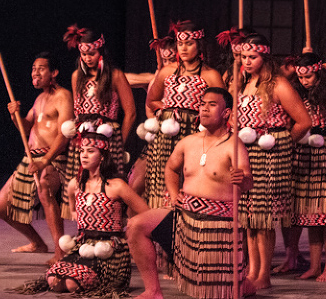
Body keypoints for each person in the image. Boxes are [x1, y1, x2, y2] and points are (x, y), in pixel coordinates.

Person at [123, 87, 253, 299]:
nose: (204, 108)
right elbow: (171, 169)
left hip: (217, 227)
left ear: (226, 112)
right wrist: (174, 196)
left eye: (212, 104)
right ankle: (152, 291)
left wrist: (242, 179)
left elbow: (248, 182)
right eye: (202, 103)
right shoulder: (188, 142)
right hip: (184, 218)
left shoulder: (234, 145)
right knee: (136, 225)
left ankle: (243, 285)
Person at [12, 130, 148, 297]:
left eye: (90, 151)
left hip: (109, 251)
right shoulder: (75, 185)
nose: (84, 155)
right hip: (81, 246)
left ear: (103, 156)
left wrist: (128, 231)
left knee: (71, 284)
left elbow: (145, 213)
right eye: (82, 151)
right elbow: (74, 211)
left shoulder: (116, 185)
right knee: (54, 281)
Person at [237, 34, 311, 289]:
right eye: (244, 57)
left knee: (263, 218)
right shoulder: (245, 84)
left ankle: (263, 275)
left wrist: (282, 143)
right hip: (247, 153)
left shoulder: (279, 85)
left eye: (252, 57)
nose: (246, 61)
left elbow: (304, 122)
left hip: (270, 155)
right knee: (248, 218)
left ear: (265, 57)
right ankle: (252, 271)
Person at [0, 52, 73, 264]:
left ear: (53, 72)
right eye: (33, 68)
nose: (35, 72)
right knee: (0, 207)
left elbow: (65, 133)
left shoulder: (63, 96)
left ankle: (60, 251)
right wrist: (15, 115)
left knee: (44, 188)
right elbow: (27, 127)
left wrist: (45, 160)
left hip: (54, 158)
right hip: (32, 159)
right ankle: (37, 243)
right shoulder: (39, 99)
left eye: (41, 68)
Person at [144, 20, 225, 208]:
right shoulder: (167, 71)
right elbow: (151, 100)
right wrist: (165, 109)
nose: (184, 48)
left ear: (199, 45)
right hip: (167, 131)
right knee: (162, 177)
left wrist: (201, 116)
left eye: (189, 44)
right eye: (180, 44)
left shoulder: (210, 75)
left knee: (188, 175)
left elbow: (222, 107)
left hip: (194, 131)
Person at [289, 53, 326, 282]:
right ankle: (315, 266)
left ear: (318, 73)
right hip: (305, 154)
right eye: (301, 77)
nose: (305, 81)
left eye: (309, 76)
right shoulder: (296, 95)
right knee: (311, 216)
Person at [63, 25, 136, 186]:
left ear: (101, 51)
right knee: (79, 185)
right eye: (84, 54)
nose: (88, 58)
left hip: (107, 136)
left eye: (92, 54)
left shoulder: (115, 75)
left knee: (106, 185)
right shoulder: (77, 76)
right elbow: (77, 110)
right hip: (83, 138)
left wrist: (119, 142)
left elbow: (130, 112)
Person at [126, 35, 177, 197]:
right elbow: (123, 80)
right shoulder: (155, 78)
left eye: (171, 60)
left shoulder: (187, 81)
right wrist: (156, 76)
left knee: (167, 192)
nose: (167, 64)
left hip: (178, 141)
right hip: (156, 141)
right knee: (134, 185)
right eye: (163, 60)